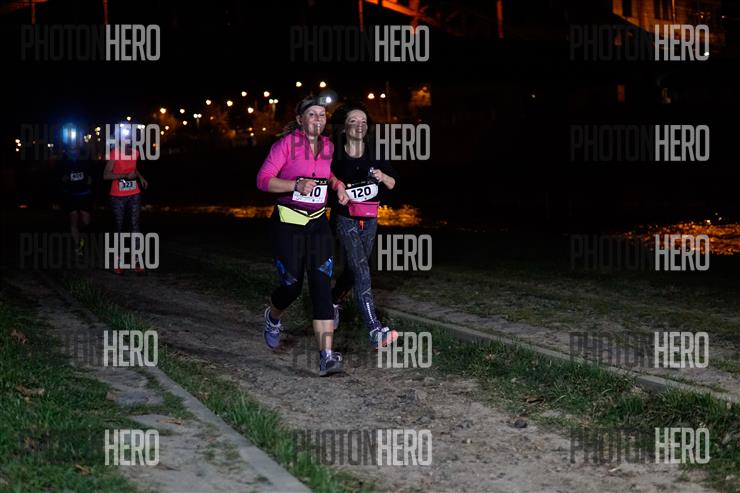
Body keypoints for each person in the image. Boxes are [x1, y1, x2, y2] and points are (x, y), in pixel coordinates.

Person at [256, 96, 349, 377]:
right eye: (312, 114)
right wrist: (295, 185)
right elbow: (263, 180)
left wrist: (338, 185)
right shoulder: (285, 145)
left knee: (321, 285)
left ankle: (326, 356)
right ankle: (273, 316)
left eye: (322, 114)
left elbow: (327, 174)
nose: (318, 119)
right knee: (292, 286)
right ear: (300, 119)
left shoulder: (328, 146)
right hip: (288, 224)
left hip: (318, 224)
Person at [329, 103, 399, 348]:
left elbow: (393, 183)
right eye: (353, 121)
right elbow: (325, 178)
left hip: (370, 219)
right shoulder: (335, 154)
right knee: (362, 271)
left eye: (363, 122)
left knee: (355, 269)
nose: (359, 125)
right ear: (344, 127)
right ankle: (374, 329)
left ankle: (332, 300)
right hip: (344, 219)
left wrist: (383, 176)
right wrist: (338, 188)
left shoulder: (376, 152)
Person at [103, 124, 148, 274]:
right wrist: (124, 176)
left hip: (134, 193)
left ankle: (137, 261)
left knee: (135, 226)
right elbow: (106, 175)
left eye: (130, 138)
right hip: (118, 197)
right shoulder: (114, 153)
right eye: (125, 138)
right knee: (119, 227)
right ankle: (119, 261)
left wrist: (140, 177)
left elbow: (133, 169)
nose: (128, 140)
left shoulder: (135, 152)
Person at [59, 143, 93, 256]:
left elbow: (91, 176)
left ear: (78, 151)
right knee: (74, 220)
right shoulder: (64, 162)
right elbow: (60, 178)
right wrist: (64, 179)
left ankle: (82, 238)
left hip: (84, 194)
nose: (73, 152)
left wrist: (89, 181)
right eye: (71, 150)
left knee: (86, 221)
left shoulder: (85, 161)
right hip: (71, 195)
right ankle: (78, 245)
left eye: (75, 150)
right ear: (68, 151)